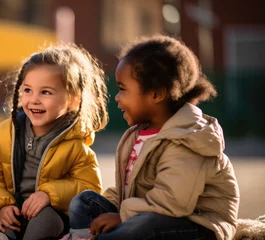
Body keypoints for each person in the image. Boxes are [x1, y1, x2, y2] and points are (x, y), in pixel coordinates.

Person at [68, 34, 240, 240]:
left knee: (142, 227)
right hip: (147, 213)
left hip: (198, 224)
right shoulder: (138, 134)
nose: (117, 97)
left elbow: (171, 203)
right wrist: (110, 208)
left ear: (156, 95)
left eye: (122, 89)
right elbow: (128, 189)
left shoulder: (186, 139)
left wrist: (122, 216)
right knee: (85, 202)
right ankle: (82, 237)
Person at [0, 43, 109, 240]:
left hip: (53, 217)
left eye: (45, 92)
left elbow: (88, 188)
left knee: (44, 219)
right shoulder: (6, 132)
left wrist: (48, 195)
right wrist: (2, 206)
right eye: (28, 90)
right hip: (16, 215)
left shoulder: (76, 144)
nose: (34, 100)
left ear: (74, 99)